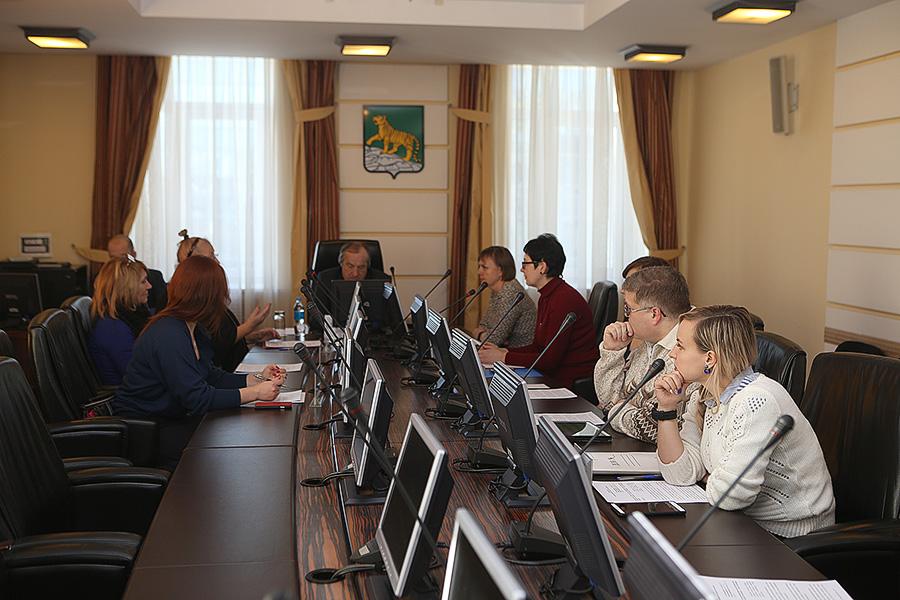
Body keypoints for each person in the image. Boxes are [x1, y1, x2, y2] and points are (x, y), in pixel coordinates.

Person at [654, 305, 835, 538]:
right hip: (741, 524)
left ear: (710, 358)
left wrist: (708, 476)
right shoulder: (704, 395)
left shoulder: (756, 401)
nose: (672, 353)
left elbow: (731, 496)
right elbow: (680, 474)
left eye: (680, 345)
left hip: (790, 535)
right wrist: (667, 409)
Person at [113, 255, 285, 470]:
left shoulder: (192, 326)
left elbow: (211, 375)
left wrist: (257, 378)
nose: (224, 300)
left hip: (172, 418)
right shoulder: (169, 334)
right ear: (208, 296)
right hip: (148, 431)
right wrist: (256, 393)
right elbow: (196, 398)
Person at [478, 234, 597, 389]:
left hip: (568, 381)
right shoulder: (547, 296)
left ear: (542, 267)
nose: (521, 269)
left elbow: (549, 360)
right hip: (551, 373)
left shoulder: (563, 300)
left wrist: (504, 357)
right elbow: (538, 347)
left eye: (525, 263)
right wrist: (504, 351)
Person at [593, 266, 696, 443]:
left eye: (628, 309)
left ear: (654, 314)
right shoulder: (648, 342)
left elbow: (653, 426)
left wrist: (617, 411)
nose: (625, 317)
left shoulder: (689, 351)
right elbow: (608, 400)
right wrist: (612, 352)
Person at [176, 232, 277, 371]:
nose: (217, 262)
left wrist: (252, 337)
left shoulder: (207, 295)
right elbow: (215, 347)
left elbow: (222, 338)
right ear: (196, 263)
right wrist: (249, 325)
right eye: (212, 256)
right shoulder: (194, 301)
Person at [88, 257, 153, 385]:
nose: (149, 286)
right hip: (131, 394)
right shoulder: (113, 327)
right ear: (126, 288)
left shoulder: (128, 315)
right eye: (143, 281)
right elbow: (137, 375)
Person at [471, 246, 536, 348]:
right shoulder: (497, 290)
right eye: (479, 267)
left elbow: (493, 340)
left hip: (519, 354)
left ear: (500, 271)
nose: (479, 272)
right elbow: (484, 325)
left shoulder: (511, 293)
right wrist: (483, 333)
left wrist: (479, 334)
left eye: (484, 267)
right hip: (502, 351)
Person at [313, 241, 389, 324]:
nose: (355, 273)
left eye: (361, 267)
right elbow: (315, 320)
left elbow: (390, 320)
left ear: (368, 266)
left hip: (372, 330)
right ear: (341, 263)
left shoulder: (382, 280)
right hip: (335, 331)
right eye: (350, 266)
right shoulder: (325, 279)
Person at [107, 234, 168, 312]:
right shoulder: (102, 281)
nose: (118, 262)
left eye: (123, 257)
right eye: (113, 258)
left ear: (133, 255)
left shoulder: (154, 278)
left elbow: (164, 310)